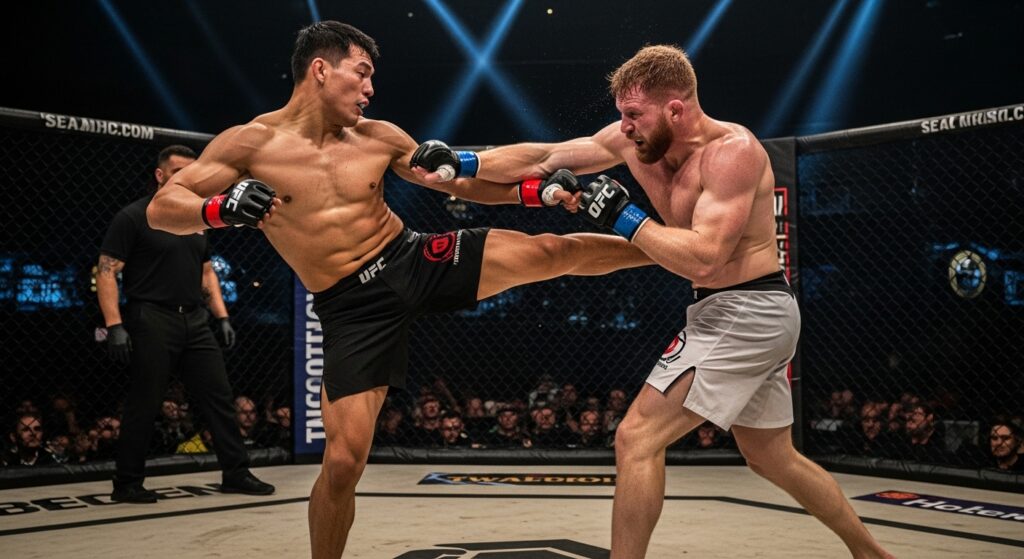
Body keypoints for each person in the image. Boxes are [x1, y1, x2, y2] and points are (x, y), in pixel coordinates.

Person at [146, 21, 651, 557]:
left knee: (553, 252)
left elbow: (460, 181)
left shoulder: (379, 136)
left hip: (411, 258)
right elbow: (162, 209)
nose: (370, 89)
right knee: (342, 464)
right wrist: (217, 208)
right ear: (320, 69)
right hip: (351, 306)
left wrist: (534, 191)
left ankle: (672, 251)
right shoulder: (249, 143)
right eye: (361, 73)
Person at [439, 44, 893, 558]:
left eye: (634, 115)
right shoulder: (635, 140)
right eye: (622, 116)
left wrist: (624, 219)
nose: (625, 128)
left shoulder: (733, 153)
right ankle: (872, 555)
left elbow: (705, 257)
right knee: (772, 457)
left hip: (747, 308)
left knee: (637, 438)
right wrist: (464, 160)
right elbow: (547, 156)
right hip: (731, 310)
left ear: (675, 109)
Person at [97, 144, 274, 503]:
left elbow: (207, 272)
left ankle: (236, 473)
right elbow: (106, 269)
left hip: (194, 318)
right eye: (178, 172)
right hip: (152, 317)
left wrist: (222, 316)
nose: (187, 178)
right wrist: (114, 324)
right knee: (145, 401)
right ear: (160, 176)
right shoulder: (134, 216)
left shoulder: (196, 221)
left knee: (220, 396)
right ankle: (127, 482)